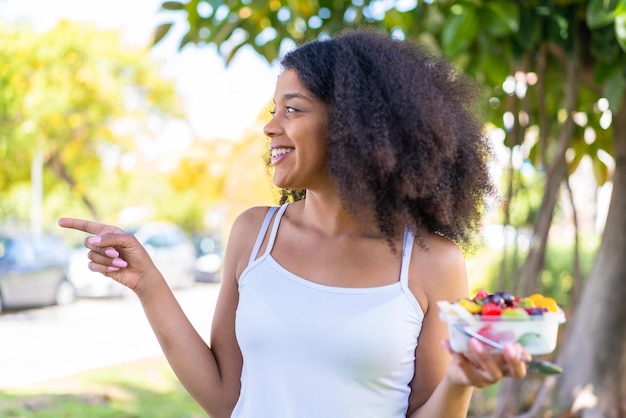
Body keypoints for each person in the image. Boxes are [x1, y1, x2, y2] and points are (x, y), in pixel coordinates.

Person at [59, 29, 529, 418]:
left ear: (352, 125)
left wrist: (459, 381)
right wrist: (147, 283)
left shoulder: (431, 262)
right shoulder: (254, 235)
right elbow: (227, 398)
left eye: (293, 109)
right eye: (272, 110)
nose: (270, 127)